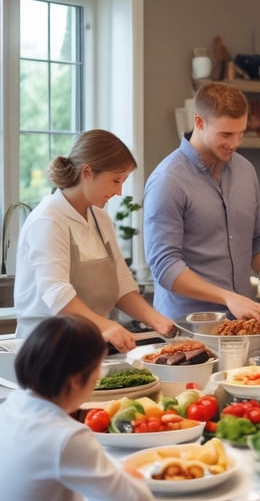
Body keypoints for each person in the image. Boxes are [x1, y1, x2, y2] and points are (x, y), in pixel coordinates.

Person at [0, 315, 176, 501]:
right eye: (97, 375)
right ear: (76, 381)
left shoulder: (11, 409)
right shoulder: (64, 436)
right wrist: (130, 475)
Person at [14, 130, 176, 353]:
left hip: (88, 348)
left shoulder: (100, 219)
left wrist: (158, 321)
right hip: (45, 352)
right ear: (87, 172)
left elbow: (122, 285)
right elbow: (57, 294)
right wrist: (105, 324)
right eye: (116, 180)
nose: (119, 191)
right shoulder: (48, 221)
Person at [143, 82, 260, 323]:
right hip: (186, 330)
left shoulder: (246, 170)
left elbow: (259, 240)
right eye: (226, 134)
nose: (235, 143)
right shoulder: (168, 180)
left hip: (242, 324)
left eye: (241, 133)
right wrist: (227, 298)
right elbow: (165, 266)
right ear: (199, 122)